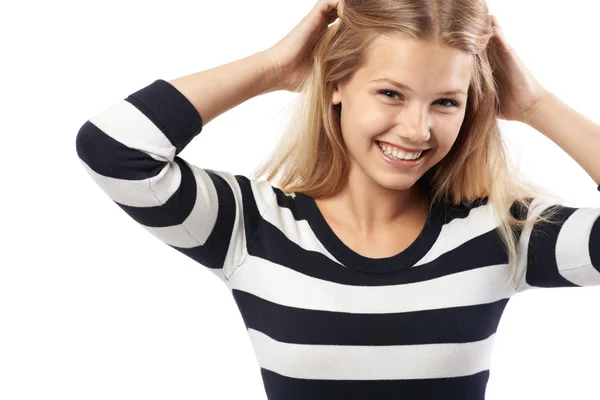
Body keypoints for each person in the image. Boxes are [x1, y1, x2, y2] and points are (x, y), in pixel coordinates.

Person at [75, 0, 600, 398]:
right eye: (391, 93)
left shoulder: (500, 233)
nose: (417, 130)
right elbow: (113, 148)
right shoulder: (252, 226)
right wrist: (274, 68)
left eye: (445, 101)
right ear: (336, 84)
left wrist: (535, 103)